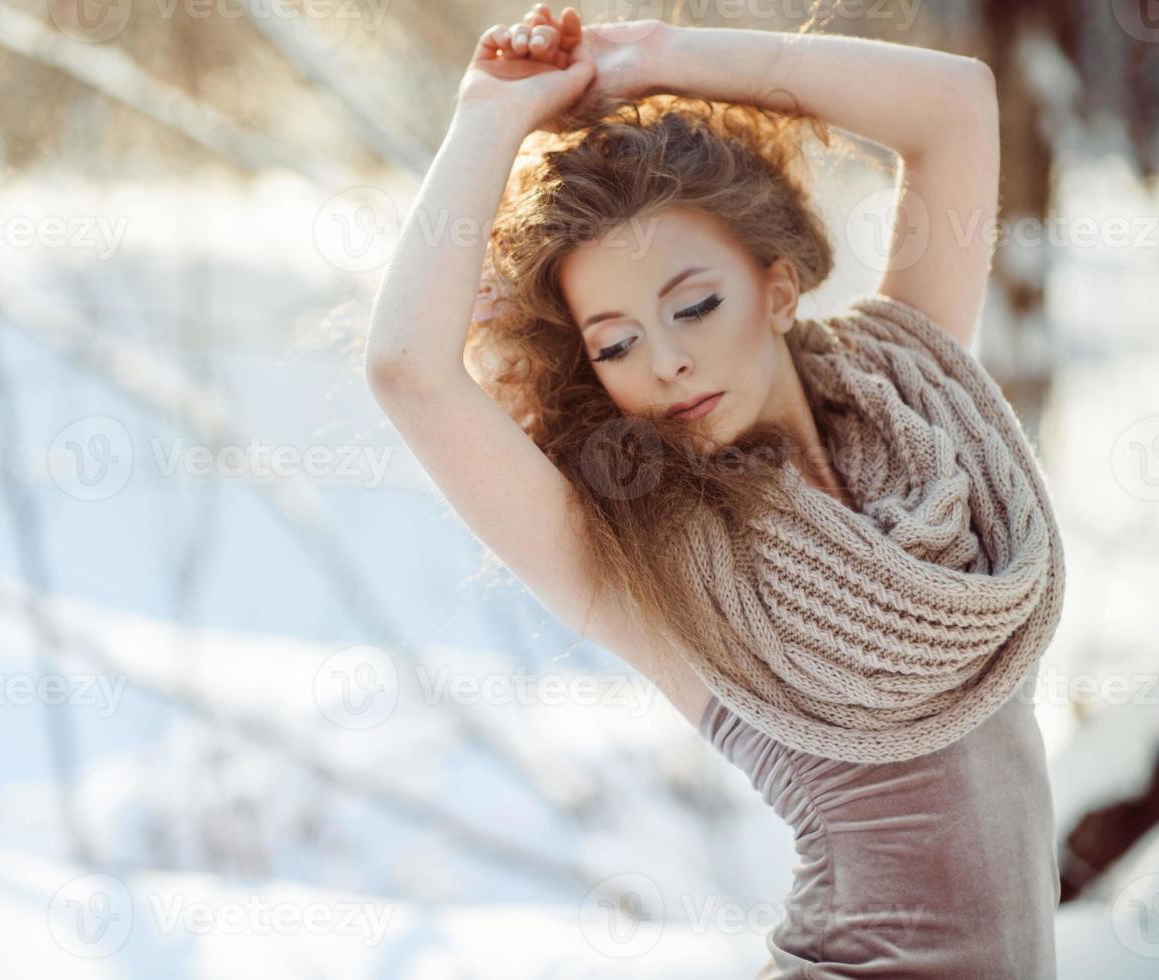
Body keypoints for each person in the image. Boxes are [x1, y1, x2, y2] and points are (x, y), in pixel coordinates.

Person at [365, 6, 1063, 977]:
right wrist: (488, 116)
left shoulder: (916, 404)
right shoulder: (646, 556)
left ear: (776, 287)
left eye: (693, 303)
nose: (667, 360)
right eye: (614, 341)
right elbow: (407, 370)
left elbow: (953, 106)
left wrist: (662, 60)